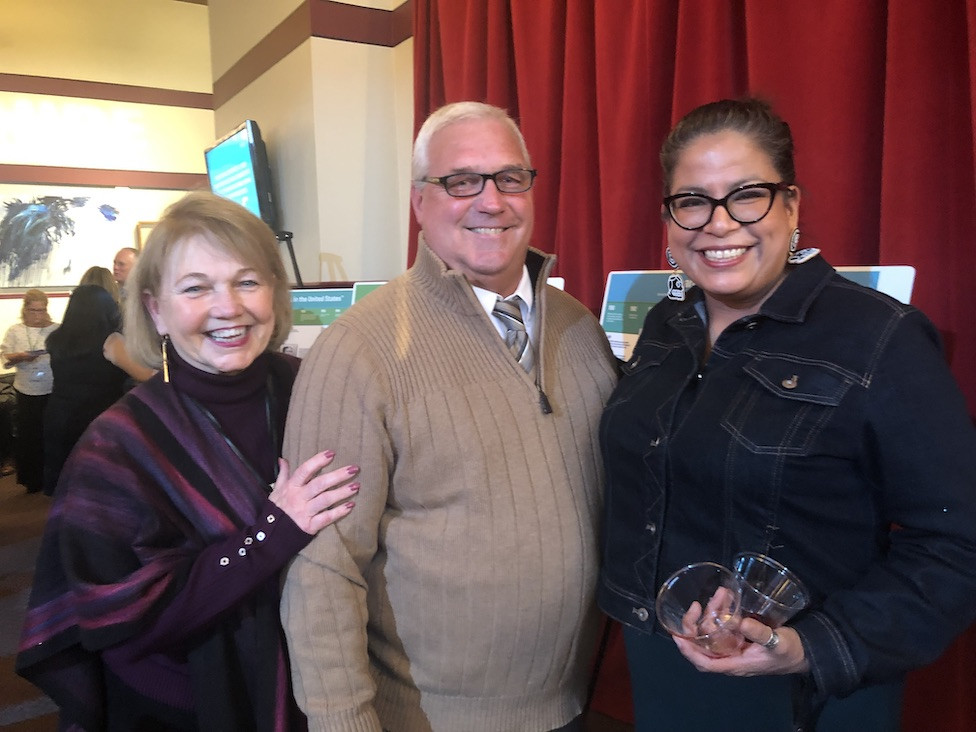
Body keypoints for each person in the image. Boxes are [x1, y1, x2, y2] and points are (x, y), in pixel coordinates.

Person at [598, 98, 976, 731]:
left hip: (804, 694)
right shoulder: (666, 328)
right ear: (668, 220)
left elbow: (958, 543)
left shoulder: (880, 339)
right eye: (692, 201)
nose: (718, 224)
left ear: (792, 205)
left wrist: (811, 647)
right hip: (665, 668)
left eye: (746, 195)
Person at [281, 101, 619, 731]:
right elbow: (324, 566)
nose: (490, 201)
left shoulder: (580, 331)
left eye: (510, 178)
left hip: (572, 704)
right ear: (419, 202)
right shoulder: (358, 350)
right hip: (424, 719)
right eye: (461, 181)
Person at [17, 192, 361, 730]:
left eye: (247, 281)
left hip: (332, 683)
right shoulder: (116, 447)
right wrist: (272, 533)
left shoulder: (313, 391)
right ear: (156, 309)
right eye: (196, 288)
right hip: (190, 704)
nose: (228, 307)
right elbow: (122, 619)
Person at [42, 284, 128, 495]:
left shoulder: (56, 340)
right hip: (100, 418)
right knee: (99, 489)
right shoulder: (111, 343)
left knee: (66, 483)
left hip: (61, 414)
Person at [0, 290, 58, 494]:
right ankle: (32, 480)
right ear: (25, 310)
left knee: (50, 435)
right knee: (29, 437)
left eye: (41, 311)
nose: (37, 316)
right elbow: (5, 358)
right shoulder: (16, 331)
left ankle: (51, 477)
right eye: (33, 311)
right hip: (25, 389)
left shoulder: (56, 330)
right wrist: (21, 356)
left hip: (51, 388)